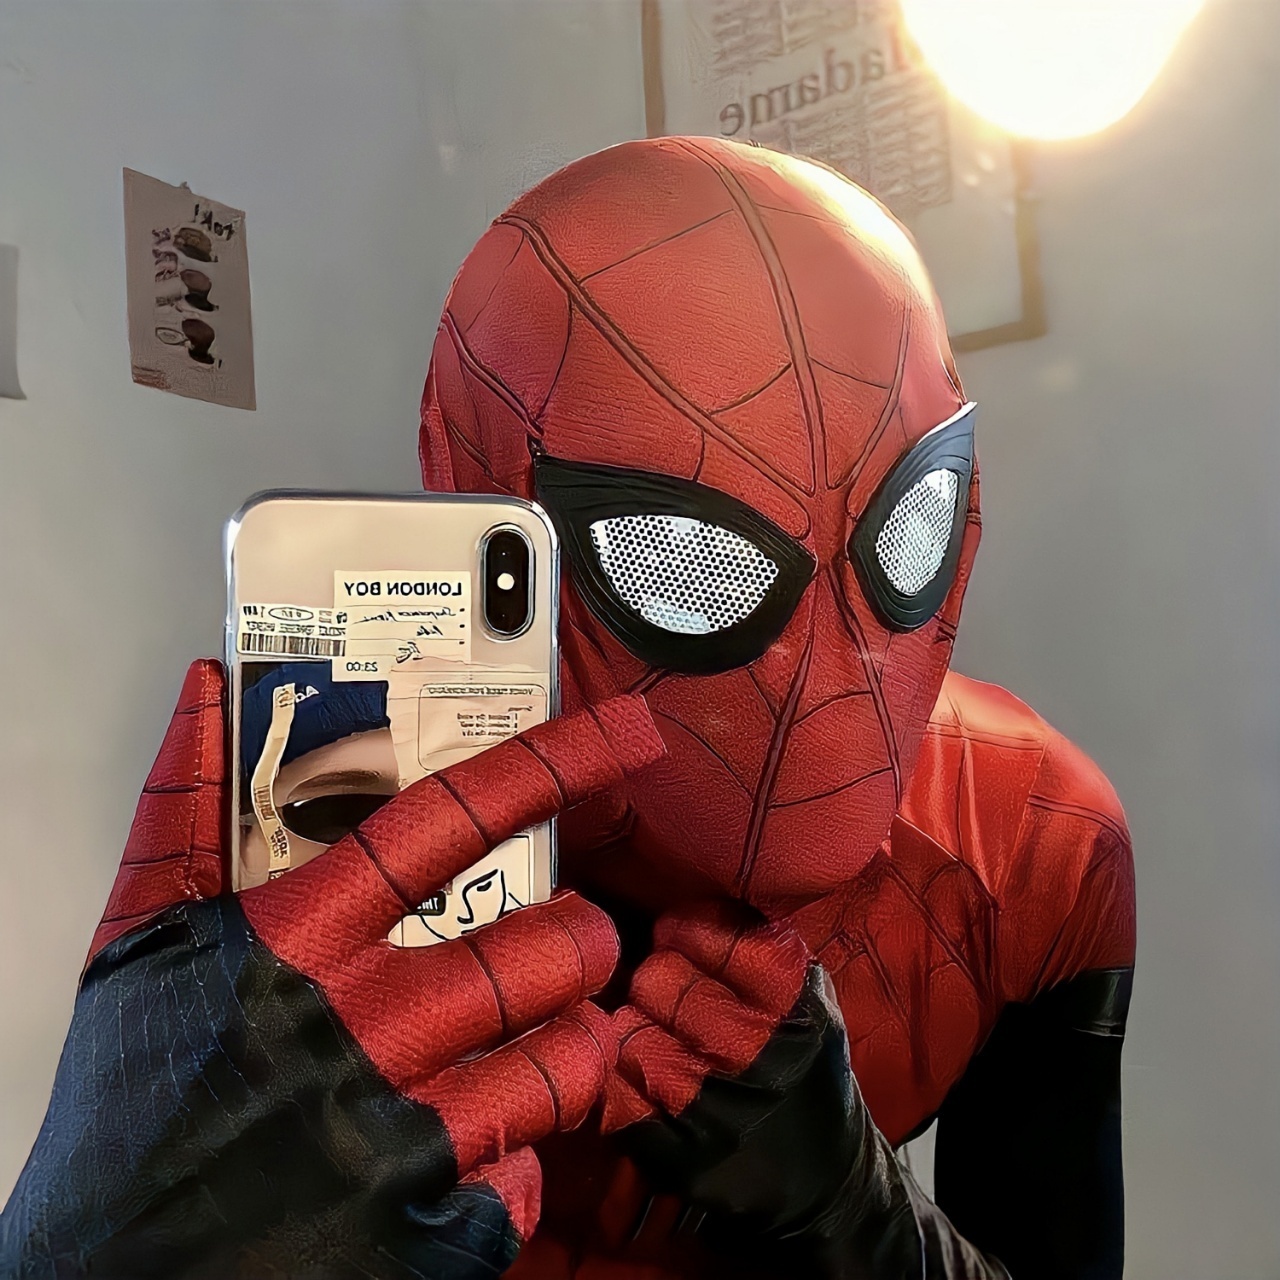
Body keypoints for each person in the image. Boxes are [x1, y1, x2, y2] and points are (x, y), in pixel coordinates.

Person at [0, 138, 1134, 1280]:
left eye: (911, 523)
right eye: (684, 561)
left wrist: (856, 1210)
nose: (829, 671)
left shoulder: (1032, 840)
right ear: (470, 480)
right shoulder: (321, 848)